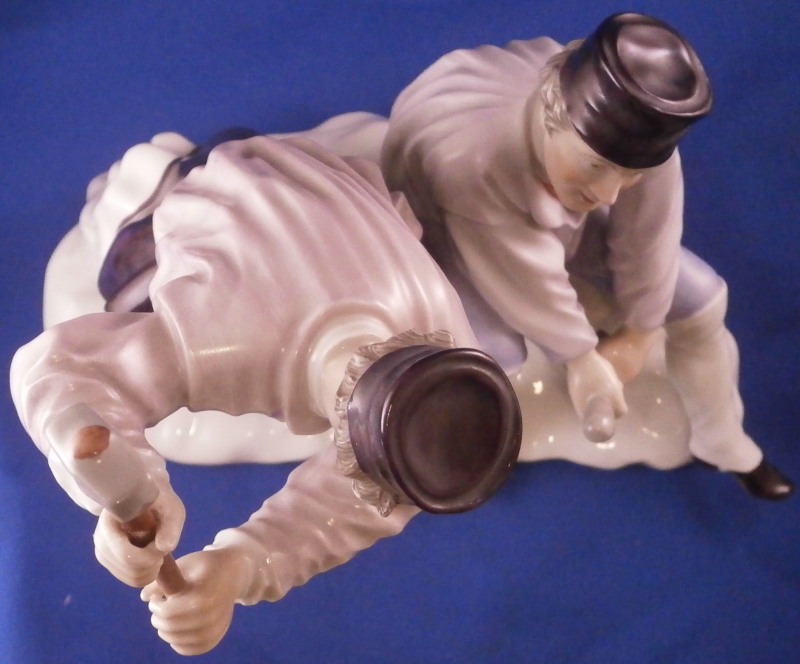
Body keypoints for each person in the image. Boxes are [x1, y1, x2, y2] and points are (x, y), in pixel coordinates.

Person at [10, 132, 520, 654]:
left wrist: (241, 564)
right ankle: (155, 186)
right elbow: (57, 366)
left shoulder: (456, 352)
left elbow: (381, 493)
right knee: (126, 284)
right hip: (213, 193)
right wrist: (129, 483)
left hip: (329, 184)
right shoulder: (225, 338)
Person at [381, 12, 793, 499]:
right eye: (596, 166)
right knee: (486, 359)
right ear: (551, 119)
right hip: (451, 230)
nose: (610, 194)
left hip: (549, 221)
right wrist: (580, 358)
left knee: (702, 302)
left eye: (630, 175)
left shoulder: (640, 135)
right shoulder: (473, 159)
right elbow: (520, 274)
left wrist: (641, 329)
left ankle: (719, 438)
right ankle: (433, 457)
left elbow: (649, 234)